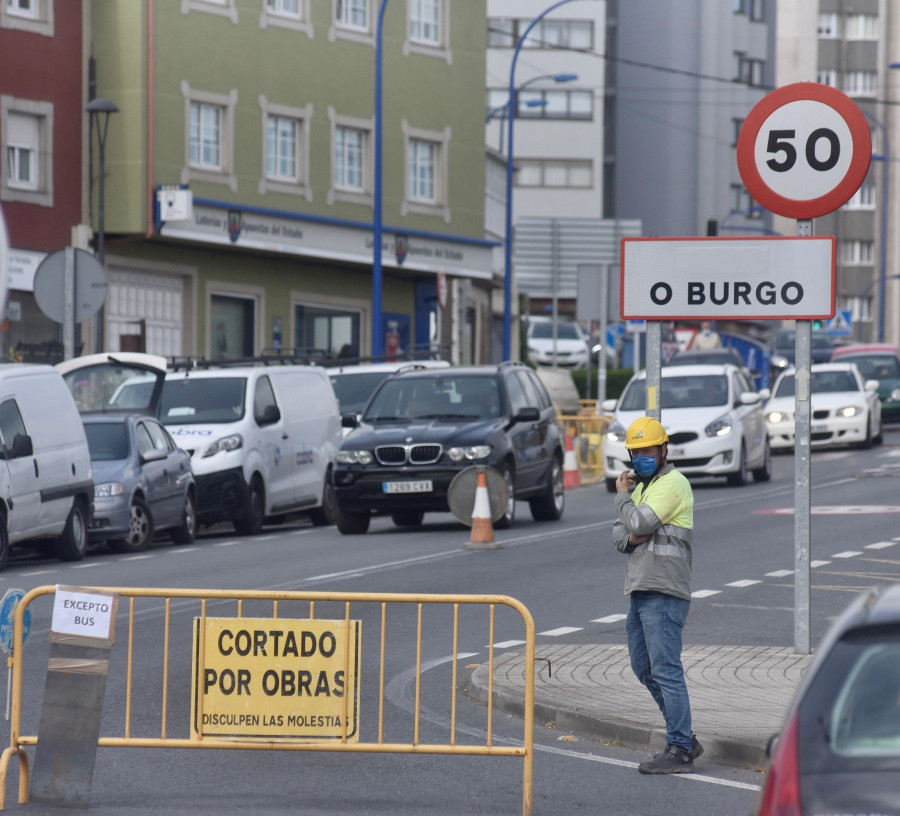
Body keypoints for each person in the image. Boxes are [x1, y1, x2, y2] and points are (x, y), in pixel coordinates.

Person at [611, 416, 701, 774]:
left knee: (666, 670)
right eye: (635, 452)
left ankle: (679, 747)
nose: (641, 457)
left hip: (665, 591)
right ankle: (685, 738)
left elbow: (637, 524)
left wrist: (624, 504)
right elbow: (621, 536)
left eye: (648, 450)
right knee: (643, 667)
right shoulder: (643, 489)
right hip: (641, 589)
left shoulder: (672, 484)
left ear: (664, 450)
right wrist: (631, 521)